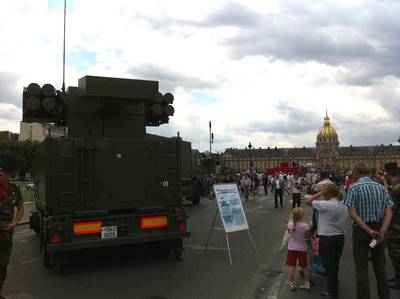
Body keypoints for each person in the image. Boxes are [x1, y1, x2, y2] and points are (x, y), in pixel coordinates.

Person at [343, 163, 393, 299]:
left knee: (361, 268)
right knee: (380, 267)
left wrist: (369, 231)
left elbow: (352, 213)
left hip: (362, 231)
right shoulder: (381, 188)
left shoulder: (354, 187)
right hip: (379, 231)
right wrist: (381, 230)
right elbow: (389, 212)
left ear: (357, 173)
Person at [306, 183, 348, 298]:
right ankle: (333, 287)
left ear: (327, 192)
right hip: (340, 237)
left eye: (324, 192)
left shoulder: (326, 204)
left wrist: (320, 193)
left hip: (327, 238)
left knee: (329, 266)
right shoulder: (343, 205)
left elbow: (308, 201)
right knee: (335, 264)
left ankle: (333, 291)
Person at [0, 167, 24, 299]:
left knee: (3, 264)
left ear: (7, 175)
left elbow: (20, 208)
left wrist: (15, 223)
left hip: (7, 232)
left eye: (1, 174)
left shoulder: (14, 190)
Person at [377, 162, 400, 289]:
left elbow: (390, 207)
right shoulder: (396, 187)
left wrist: (383, 230)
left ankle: (398, 280)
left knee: (396, 254)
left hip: (396, 228)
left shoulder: (396, 188)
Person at [284, 207, 311, 291]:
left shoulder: (290, 224)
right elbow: (307, 236)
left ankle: (292, 284)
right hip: (302, 249)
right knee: (304, 267)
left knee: (291, 267)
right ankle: (307, 284)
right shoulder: (305, 226)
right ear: (301, 216)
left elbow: (290, 232)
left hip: (291, 248)